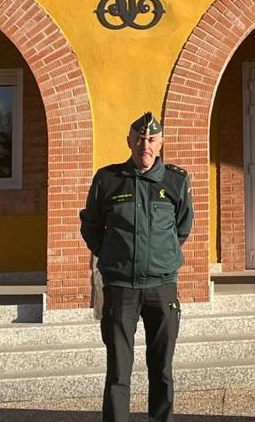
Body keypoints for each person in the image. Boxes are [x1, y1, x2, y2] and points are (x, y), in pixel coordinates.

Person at [79, 112, 194, 422]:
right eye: (140, 139)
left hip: (161, 286)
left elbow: (182, 229)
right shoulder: (108, 179)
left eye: (152, 139)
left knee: (162, 368)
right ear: (129, 141)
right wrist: (111, 254)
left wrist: (163, 256)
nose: (146, 144)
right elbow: (90, 225)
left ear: (160, 143)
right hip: (121, 288)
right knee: (118, 369)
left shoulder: (176, 181)